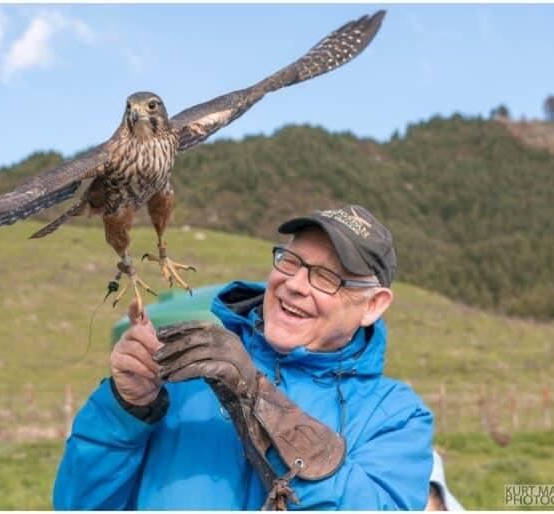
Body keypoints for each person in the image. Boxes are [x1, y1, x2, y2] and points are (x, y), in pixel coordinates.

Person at [53, 204, 434, 510]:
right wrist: (125, 410)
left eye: (326, 277)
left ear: (374, 305)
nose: (295, 285)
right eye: (291, 261)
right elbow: (78, 505)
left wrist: (259, 398)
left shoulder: (396, 417)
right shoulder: (189, 367)